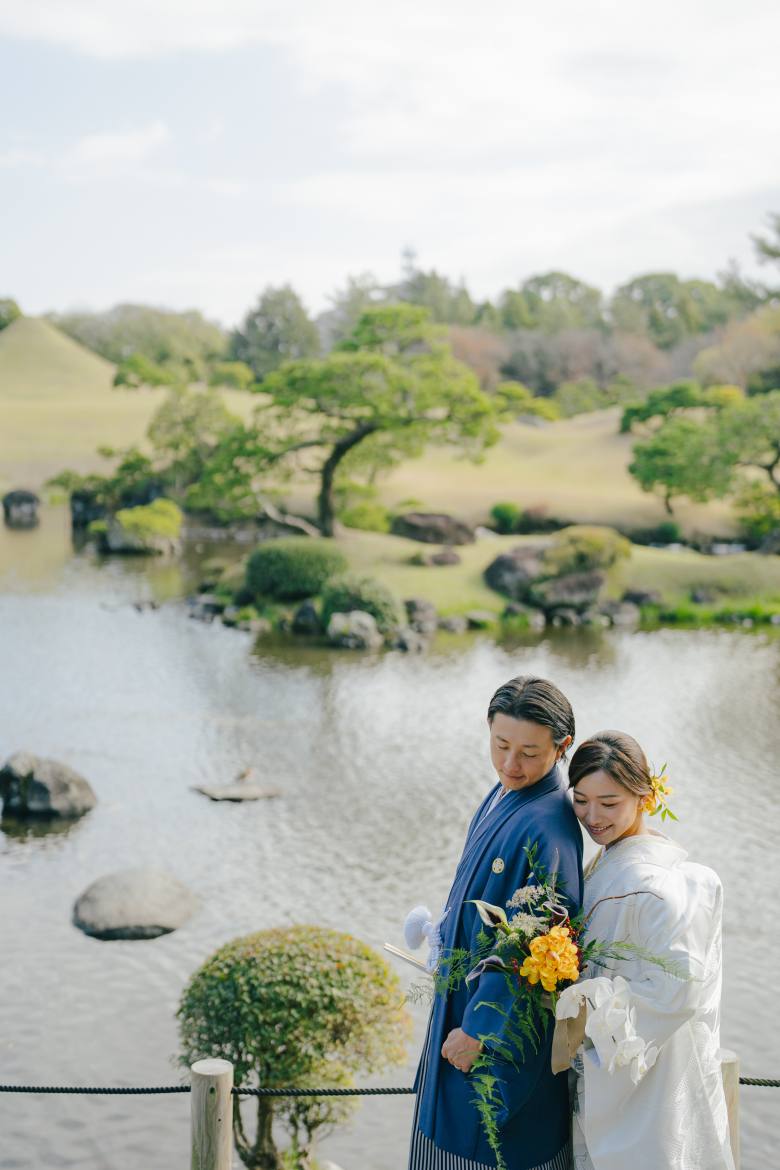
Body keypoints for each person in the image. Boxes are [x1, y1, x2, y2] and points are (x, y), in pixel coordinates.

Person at [407, 675, 584, 1170]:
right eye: (501, 745)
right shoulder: (506, 793)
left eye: (529, 752)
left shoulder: (549, 826)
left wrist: (481, 1028)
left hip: (490, 1026)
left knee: (484, 1136)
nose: (511, 764)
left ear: (561, 746)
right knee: (447, 1124)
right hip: (464, 997)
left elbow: (538, 941)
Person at [557, 731, 735, 1170]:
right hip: (606, 1070)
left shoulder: (664, 888)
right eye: (581, 800)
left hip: (654, 1079)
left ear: (644, 796)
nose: (593, 817)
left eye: (610, 803)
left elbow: (678, 990)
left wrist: (587, 1000)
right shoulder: (607, 863)